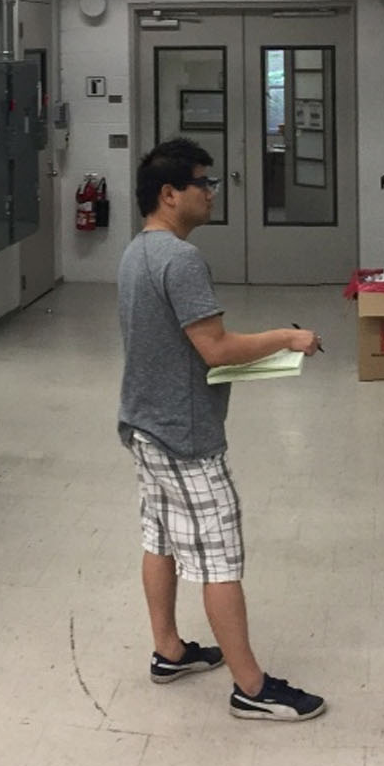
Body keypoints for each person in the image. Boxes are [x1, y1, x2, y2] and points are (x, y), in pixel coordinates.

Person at [118, 137, 327, 723]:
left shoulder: (138, 252)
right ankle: (251, 688)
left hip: (143, 424)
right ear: (169, 194)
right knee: (218, 559)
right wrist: (289, 338)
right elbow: (215, 348)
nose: (212, 193)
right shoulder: (181, 260)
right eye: (202, 184)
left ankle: (169, 651)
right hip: (183, 437)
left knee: (159, 537)